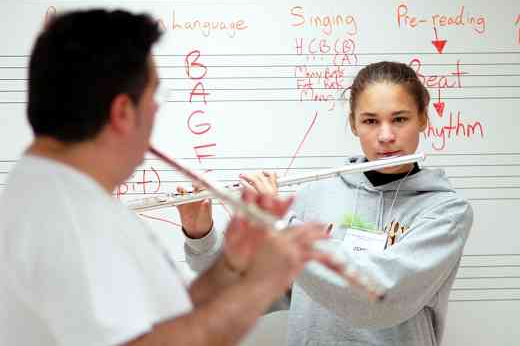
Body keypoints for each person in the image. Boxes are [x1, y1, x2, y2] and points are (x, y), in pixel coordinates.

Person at [0, 9, 347, 346]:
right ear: (123, 112)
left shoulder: (60, 191)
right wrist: (262, 281)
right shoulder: (68, 215)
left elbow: (159, 322)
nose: (156, 109)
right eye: (156, 95)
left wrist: (229, 266)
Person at [181, 61, 473, 346]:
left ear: (423, 119)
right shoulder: (314, 196)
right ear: (354, 125)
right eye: (370, 121)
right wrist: (200, 236)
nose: (386, 136)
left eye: (400, 119)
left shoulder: (446, 212)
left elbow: (379, 298)